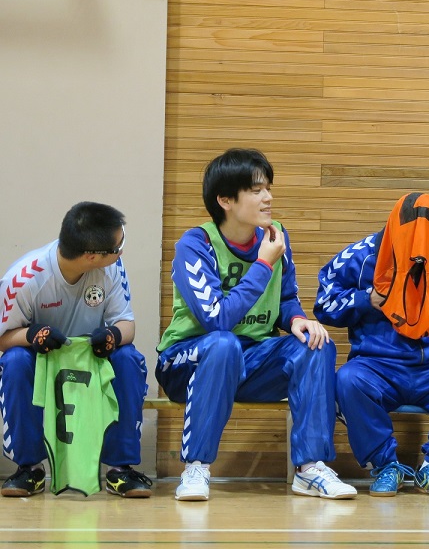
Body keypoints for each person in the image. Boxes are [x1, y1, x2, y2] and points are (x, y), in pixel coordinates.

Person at [156, 148, 356, 501]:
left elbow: (285, 298)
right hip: (188, 362)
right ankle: (196, 467)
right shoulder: (196, 244)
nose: (268, 197)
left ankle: (310, 468)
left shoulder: (276, 236)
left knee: (316, 344)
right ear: (225, 200)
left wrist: (297, 319)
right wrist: (263, 264)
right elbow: (217, 319)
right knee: (223, 343)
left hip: (252, 361)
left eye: (268, 188)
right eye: (256, 190)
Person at [314, 192, 429, 498]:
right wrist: (365, 299)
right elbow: (324, 304)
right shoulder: (360, 255)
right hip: (377, 366)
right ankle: (385, 466)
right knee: (347, 380)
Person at [0, 202, 151, 498]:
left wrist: (112, 335)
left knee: (128, 357)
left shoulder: (111, 268)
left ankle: (119, 470)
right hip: (41, 359)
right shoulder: (23, 279)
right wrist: (32, 335)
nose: (122, 252)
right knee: (15, 361)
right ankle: (29, 469)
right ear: (92, 256)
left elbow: (127, 325)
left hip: (91, 357)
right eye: (118, 247)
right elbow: (3, 339)